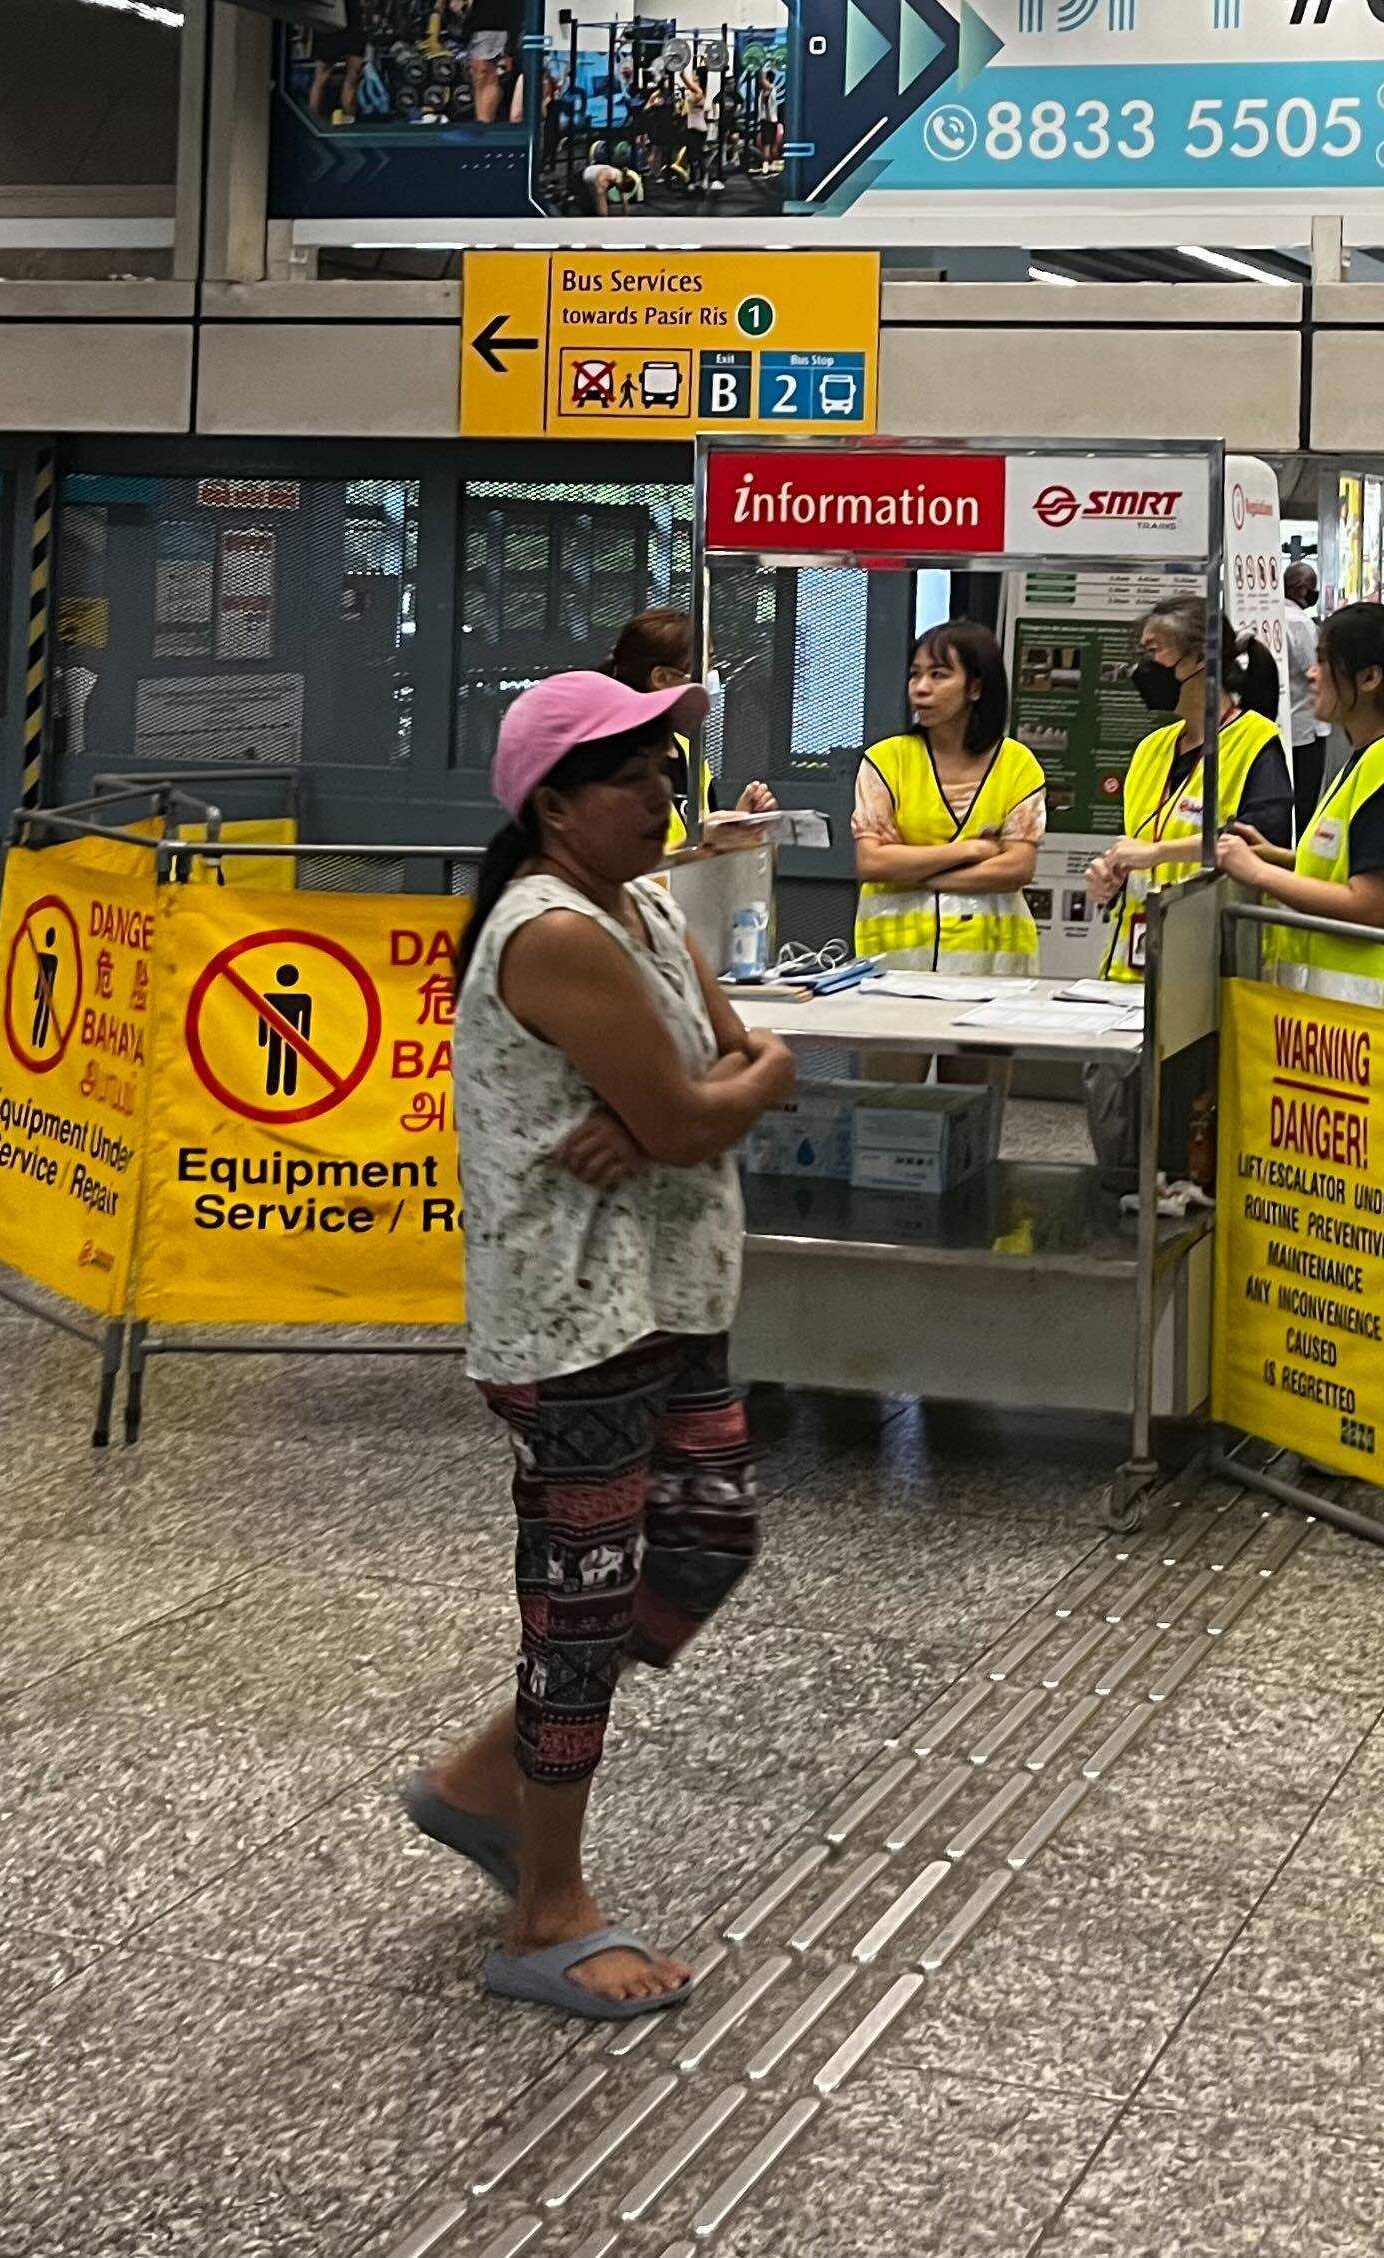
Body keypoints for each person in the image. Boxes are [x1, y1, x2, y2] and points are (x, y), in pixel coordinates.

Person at [406, 668, 794, 2020]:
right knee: (577, 1609)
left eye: (663, 761)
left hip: (668, 1287)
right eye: (628, 770)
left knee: (706, 1539)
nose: (660, 788)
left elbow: (751, 1056)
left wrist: (695, 1105)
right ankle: (543, 1907)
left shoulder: (637, 904)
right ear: (553, 805)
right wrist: (690, 1111)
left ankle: (474, 1778)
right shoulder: (553, 929)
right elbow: (709, 1105)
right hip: (580, 1318)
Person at [1217, 600, 1384, 1007]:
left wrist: (1257, 872)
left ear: (1369, 678)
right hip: (1350, 1026)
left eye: (1323, 661)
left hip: (1381, 1021)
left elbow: (1369, 905)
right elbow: (1351, 862)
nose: (1310, 676)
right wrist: (1278, 857)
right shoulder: (1371, 755)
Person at [1086, 589, 1292, 980]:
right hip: (1133, 970)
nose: (1142, 668)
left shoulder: (1254, 741)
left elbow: (1262, 846)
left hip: (1212, 966)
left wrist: (1156, 853)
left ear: (1200, 659)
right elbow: (1139, 844)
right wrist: (1110, 877)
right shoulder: (1151, 748)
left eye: (1154, 652)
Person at [853, 619, 1048, 977]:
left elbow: (1018, 867)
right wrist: (972, 851)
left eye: (938, 675)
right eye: (915, 675)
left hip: (995, 967)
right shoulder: (885, 760)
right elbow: (873, 864)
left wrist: (914, 871)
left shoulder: (1017, 764)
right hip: (898, 968)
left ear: (975, 688)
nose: (920, 689)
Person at [606, 607, 774, 854]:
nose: (712, 676)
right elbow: (615, 862)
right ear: (662, 678)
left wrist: (737, 823)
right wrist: (695, 841)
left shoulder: (689, 754)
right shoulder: (612, 759)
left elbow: (706, 847)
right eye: (704, 665)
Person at [1280, 558, 1325, 826]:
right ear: (1300, 589)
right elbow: (1314, 669)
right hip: (1305, 728)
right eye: (1312, 588)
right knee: (1304, 804)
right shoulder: (1300, 623)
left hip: (1284, 725)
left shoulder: (1271, 616)